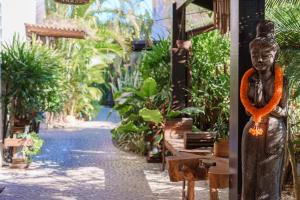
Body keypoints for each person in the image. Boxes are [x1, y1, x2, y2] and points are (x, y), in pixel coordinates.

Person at [241, 20, 288, 200]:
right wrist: (257, 100)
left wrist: (269, 108)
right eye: (255, 55)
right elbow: (248, 110)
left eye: (265, 55)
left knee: (269, 177)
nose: (259, 60)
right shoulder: (250, 79)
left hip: (274, 132)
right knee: (249, 174)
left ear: (274, 55)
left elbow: (283, 112)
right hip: (253, 130)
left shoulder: (281, 80)